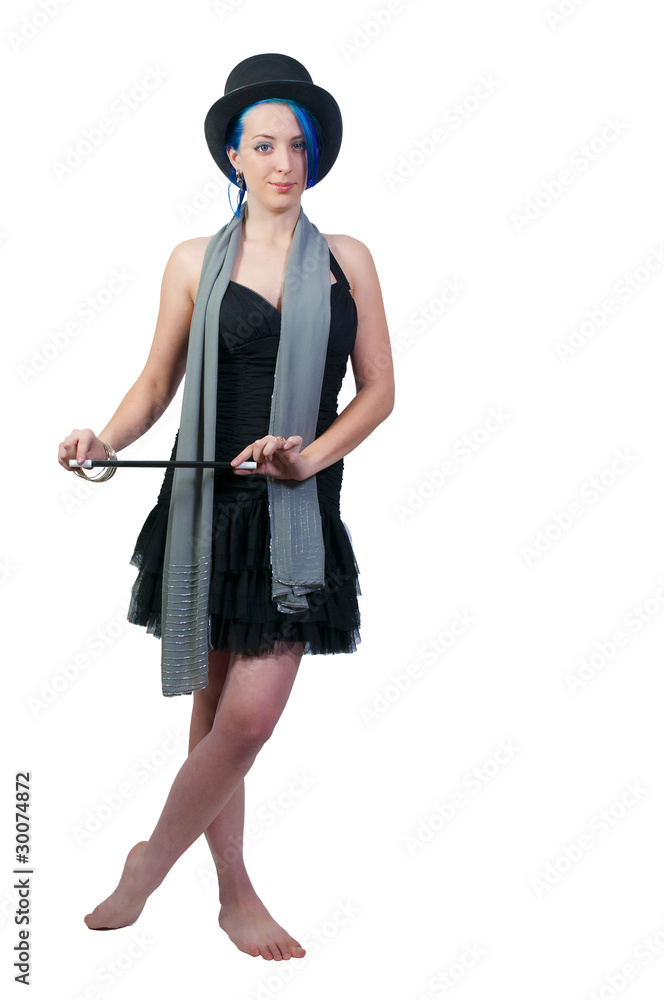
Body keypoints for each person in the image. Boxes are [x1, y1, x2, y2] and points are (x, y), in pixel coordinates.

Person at [57, 53, 394, 962]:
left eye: (299, 145)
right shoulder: (190, 263)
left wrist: (307, 460)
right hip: (204, 507)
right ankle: (234, 894)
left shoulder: (349, 260)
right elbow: (156, 382)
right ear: (233, 158)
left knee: (248, 721)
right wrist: (105, 440)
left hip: (298, 507)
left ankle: (147, 864)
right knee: (213, 722)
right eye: (265, 145)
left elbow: (378, 392)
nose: (285, 162)